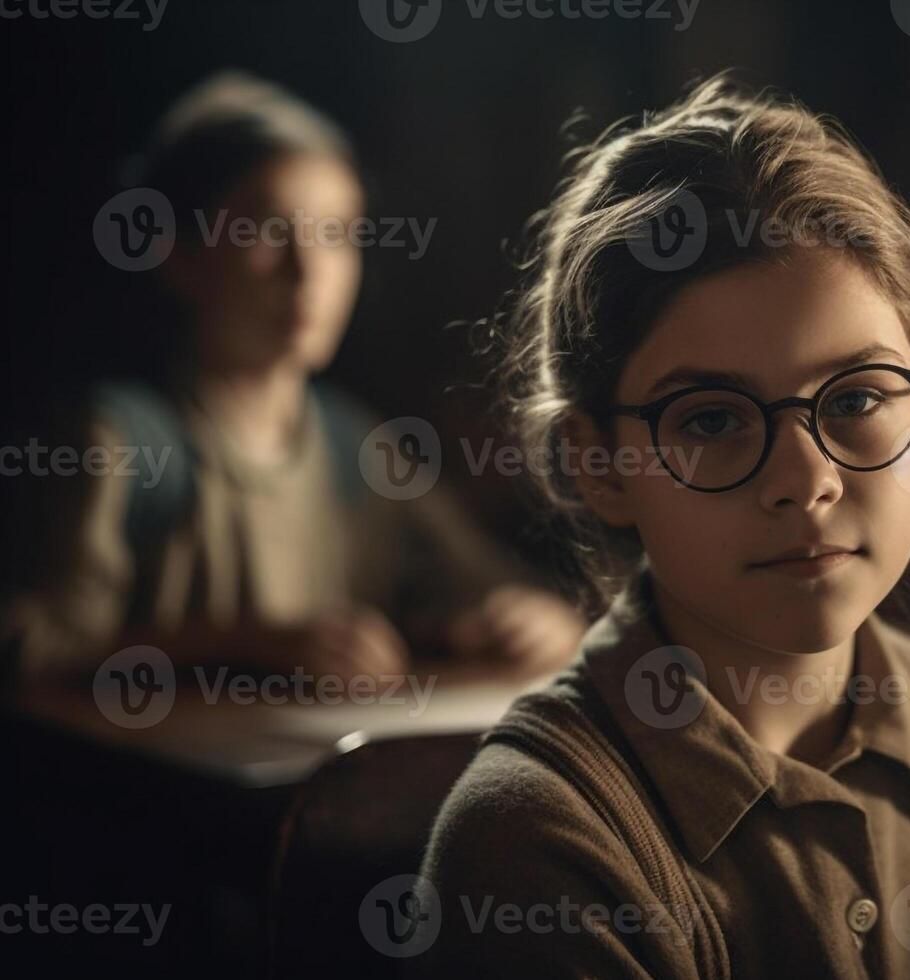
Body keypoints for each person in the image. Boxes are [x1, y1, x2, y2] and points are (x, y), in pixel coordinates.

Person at [416, 78, 910, 978]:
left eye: (856, 398)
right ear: (600, 463)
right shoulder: (538, 840)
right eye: (709, 420)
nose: (804, 480)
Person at [3, 72, 584, 681]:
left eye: (337, 235)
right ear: (178, 255)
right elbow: (32, 652)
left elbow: (487, 585)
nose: (309, 272)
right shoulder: (117, 444)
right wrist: (238, 647)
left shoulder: (356, 449)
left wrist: (531, 619)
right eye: (266, 230)